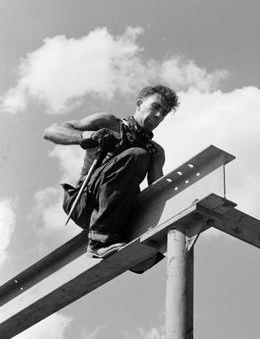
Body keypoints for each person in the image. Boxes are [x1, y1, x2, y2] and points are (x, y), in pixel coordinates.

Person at [43, 85, 179, 259]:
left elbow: (158, 192)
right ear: (139, 104)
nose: (158, 115)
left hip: (119, 210)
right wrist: (87, 137)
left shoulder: (155, 152)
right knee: (137, 155)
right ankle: (99, 241)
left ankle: (137, 250)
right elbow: (51, 131)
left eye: (164, 113)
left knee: (141, 157)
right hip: (86, 202)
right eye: (155, 107)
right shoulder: (109, 122)